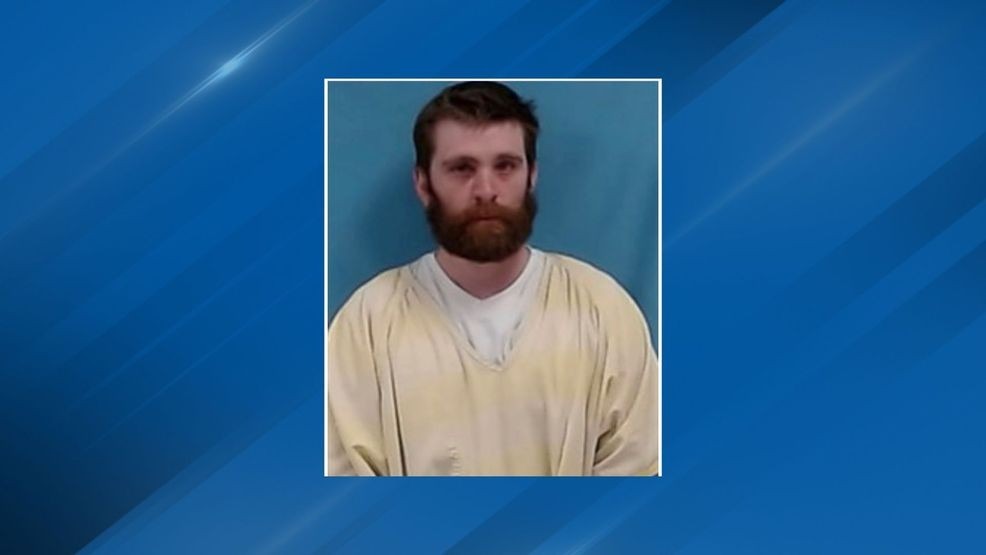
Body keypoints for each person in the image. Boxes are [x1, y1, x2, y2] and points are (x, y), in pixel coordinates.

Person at [326, 81, 659, 476]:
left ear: (531, 176)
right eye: (462, 168)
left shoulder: (603, 311)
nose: (486, 190)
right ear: (423, 184)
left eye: (505, 166)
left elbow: (638, 474)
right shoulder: (366, 325)